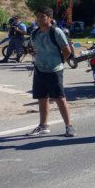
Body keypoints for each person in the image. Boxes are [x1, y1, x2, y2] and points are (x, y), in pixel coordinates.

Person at [26, 7, 76, 137]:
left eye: (42, 16)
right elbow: (34, 49)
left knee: (60, 98)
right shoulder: (35, 33)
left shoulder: (56, 32)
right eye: (38, 16)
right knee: (42, 98)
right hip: (39, 69)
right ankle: (43, 126)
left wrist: (59, 62)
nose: (39, 19)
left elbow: (67, 51)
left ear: (49, 18)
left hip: (54, 70)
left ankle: (69, 126)